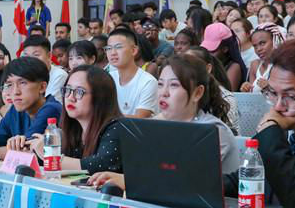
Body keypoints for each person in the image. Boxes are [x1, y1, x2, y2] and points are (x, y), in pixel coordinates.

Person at [88, 54, 239, 189]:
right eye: (160, 84)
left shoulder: (214, 131)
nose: (164, 93)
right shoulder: (156, 125)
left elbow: (185, 183)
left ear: (197, 93)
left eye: (174, 85)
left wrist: (128, 181)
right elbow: (145, 172)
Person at [223, 38, 295, 208]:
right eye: (272, 93)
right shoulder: (281, 128)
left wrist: (270, 134)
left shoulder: (273, 131)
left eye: (290, 96)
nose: (277, 107)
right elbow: (242, 181)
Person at [28, 65, 123, 174]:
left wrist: (52, 157)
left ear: (100, 96)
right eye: (67, 90)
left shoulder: (116, 127)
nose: (70, 97)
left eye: (79, 91)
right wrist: (29, 150)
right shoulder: (73, 129)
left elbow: (102, 165)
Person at [0, 57, 62, 156]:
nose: (15, 92)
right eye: (9, 85)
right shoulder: (16, 109)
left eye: (22, 83)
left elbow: (27, 150)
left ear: (42, 87)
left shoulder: (51, 108)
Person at [186, 46, 239, 135]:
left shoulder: (226, 98)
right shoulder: (182, 94)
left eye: (191, 66)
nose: (186, 70)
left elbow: (223, 135)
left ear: (208, 68)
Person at [106, 28, 158, 117]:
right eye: (109, 48)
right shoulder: (108, 79)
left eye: (118, 47)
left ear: (134, 50)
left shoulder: (148, 82)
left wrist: (105, 118)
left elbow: (139, 119)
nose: (113, 53)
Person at [200, 23, 247, 91]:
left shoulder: (234, 67)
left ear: (225, 49)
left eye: (212, 51)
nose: (208, 54)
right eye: (206, 49)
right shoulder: (204, 64)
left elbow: (227, 94)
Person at [21, 36, 68, 102]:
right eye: (27, 56)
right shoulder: (24, 76)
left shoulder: (59, 75)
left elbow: (51, 105)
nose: (30, 60)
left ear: (49, 56)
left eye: (36, 55)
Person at [241, 23, 284, 93]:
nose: (258, 49)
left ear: (275, 41)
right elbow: (252, 95)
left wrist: (269, 89)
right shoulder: (254, 65)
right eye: (255, 46)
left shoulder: (284, 66)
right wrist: (247, 89)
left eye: (262, 43)